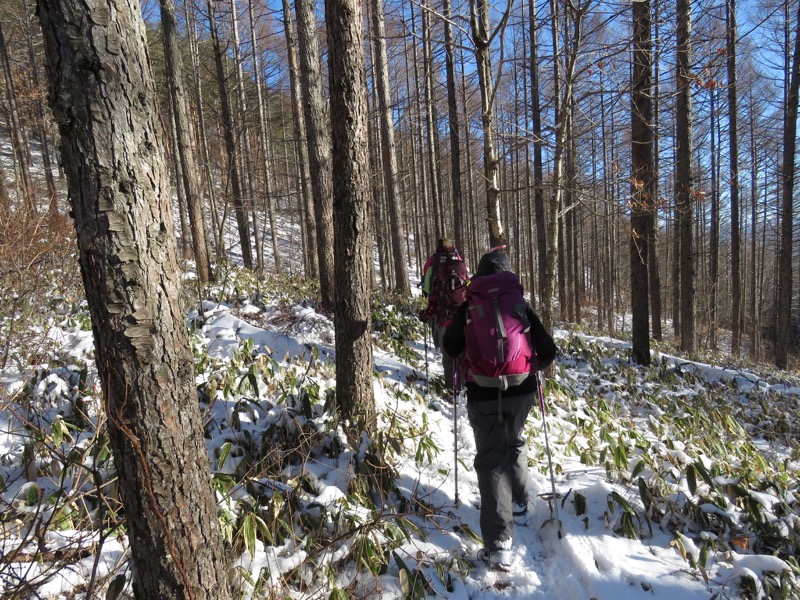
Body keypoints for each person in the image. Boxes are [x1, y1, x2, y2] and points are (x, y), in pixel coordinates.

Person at [442, 250, 557, 569]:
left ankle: (499, 544)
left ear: (478, 275)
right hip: (521, 388)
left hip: (482, 390)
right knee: (514, 440)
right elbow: (549, 349)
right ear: (507, 273)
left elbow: (450, 348)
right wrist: (535, 366)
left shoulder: (469, 303)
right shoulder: (517, 301)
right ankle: (520, 501)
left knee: (492, 460)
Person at [419, 238, 468, 391]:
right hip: (463, 319)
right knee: (463, 354)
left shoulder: (434, 263)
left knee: (448, 357)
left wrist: (424, 315)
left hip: (445, 319)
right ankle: (465, 386)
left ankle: (452, 389)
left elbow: (429, 293)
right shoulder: (460, 264)